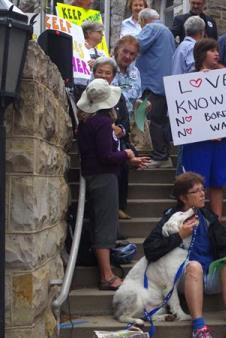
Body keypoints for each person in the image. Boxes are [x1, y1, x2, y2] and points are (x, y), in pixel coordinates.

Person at [143, 172, 226, 338]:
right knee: (194, 266)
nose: (202, 193)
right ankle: (199, 327)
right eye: (196, 191)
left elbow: (225, 241)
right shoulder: (172, 217)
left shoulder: (207, 215)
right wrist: (179, 236)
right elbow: (150, 249)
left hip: (209, 274)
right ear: (183, 198)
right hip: (185, 277)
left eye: (202, 189)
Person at [77, 79, 149, 290]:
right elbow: (106, 155)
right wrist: (125, 153)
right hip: (102, 177)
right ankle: (106, 275)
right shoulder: (100, 123)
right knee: (105, 224)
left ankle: (106, 272)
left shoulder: (90, 122)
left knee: (104, 222)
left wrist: (127, 159)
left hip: (99, 175)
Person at [179, 39, 226, 219]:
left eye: (217, 50)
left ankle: (216, 222)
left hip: (221, 140)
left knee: (218, 182)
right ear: (201, 54)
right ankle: (193, 220)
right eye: (211, 50)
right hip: (198, 142)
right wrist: (200, 78)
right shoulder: (186, 80)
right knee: (195, 183)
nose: (216, 53)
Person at [92, 57, 136, 220]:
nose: (104, 76)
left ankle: (119, 205)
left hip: (116, 140)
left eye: (108, 73)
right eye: (100, 72)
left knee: (122, 163)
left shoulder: (118, 96)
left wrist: (120, 129)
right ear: (94, 73)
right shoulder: (88, 93)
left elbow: (125, 122)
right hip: (96, 141)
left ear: (113, 76)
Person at [136, 8, 176, 168]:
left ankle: (160, 156)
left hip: (152, 83)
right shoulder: (166, 31)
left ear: (143, 21)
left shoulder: (151, 28)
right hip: (164, 83)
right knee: (161, 120)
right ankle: (163, 154)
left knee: (153, 121)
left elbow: (135, 45)